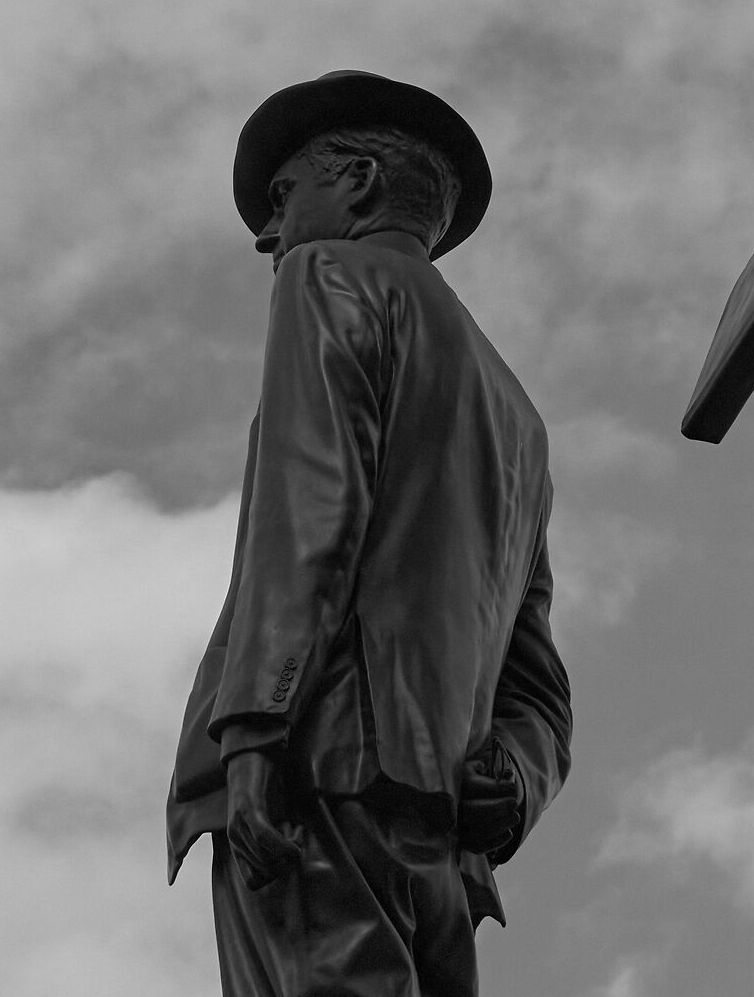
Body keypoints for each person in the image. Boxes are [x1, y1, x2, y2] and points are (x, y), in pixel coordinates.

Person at [167, 69, 571, 997]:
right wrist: (514, 781)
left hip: (318, 775)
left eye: (282, 197)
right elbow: (538, 678)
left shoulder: (327, 275)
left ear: (354, 182)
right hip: (438, 838)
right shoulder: (518, 417)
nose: (269, 236)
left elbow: (309, 510)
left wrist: (256, 731)